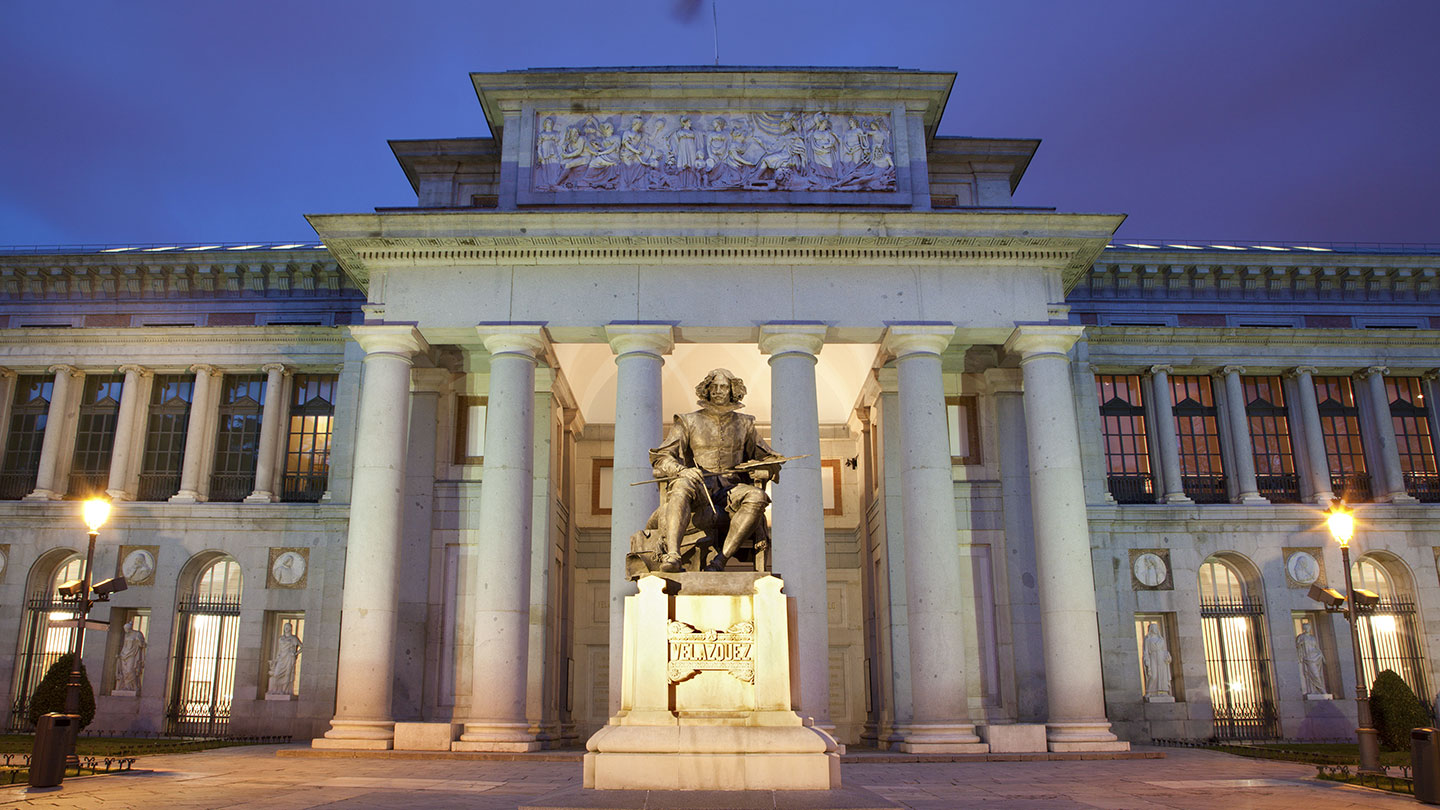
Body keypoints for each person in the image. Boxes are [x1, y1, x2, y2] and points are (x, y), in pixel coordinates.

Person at [648, 369, 783, 572]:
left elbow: (770, 457)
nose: (719, 391)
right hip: (699, 487)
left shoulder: (745, 423)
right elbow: (662, 456)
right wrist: (681, 470)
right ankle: (673, 555)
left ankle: (720, 560)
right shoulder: (687, 421)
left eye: (724, 387)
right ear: (707, 389)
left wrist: (765, 469)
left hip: (731, 489)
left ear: (732, 390)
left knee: (758, 496)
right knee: (682, 484)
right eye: (714, 386)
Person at [268, 622, 302, 695]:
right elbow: (279, 650)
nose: (286, 628)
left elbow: (302, 647)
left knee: (287, 674)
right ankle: (275, 689)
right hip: (282, 658)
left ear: (290, 628)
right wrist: (276, 660)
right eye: (285, 627)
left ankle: (284, 691)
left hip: (289, 658)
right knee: (276, 674)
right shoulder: (281, 638)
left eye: (288, 627)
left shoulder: (293, 638)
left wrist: (295, 654)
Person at [115, 620, 146, 692]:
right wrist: (120, 655)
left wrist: (139, 641)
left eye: (126, 629)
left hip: (133, 654)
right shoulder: (127, 635)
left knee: (130, 670)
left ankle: (134, 687)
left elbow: (143, 645)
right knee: (124, 671)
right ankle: (127, 686)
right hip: (124, 654)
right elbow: (124, 646)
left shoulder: (137, 634)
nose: (126, 631)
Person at [1296, 621, 1327, 694]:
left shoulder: (1313, 637)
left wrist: (1322, 656)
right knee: (1314, 674)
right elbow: (1298, 646)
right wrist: (1300, 644)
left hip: (1316, 656)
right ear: (1304, 628)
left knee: (1318, 674)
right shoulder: (1301, 637)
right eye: (1306, 627)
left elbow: (1316, 647)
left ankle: (1318, 690)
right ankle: (1321, 690)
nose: (1307, 628)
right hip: (1308, 657)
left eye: (1308, 627)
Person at [1142, 622, 1172, 696]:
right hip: (1153, 657)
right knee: (1153, 675)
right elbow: (1145, 651)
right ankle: (1149, 691)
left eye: (1156, 628)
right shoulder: (1148, 639)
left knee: (1162, 675)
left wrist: (1167, 657)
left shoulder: (1161, 639)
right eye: (1153, 628)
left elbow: (1165, 650)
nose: (1155, 629)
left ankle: (1163, 692)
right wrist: (1146, 660)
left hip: (1161, 658)